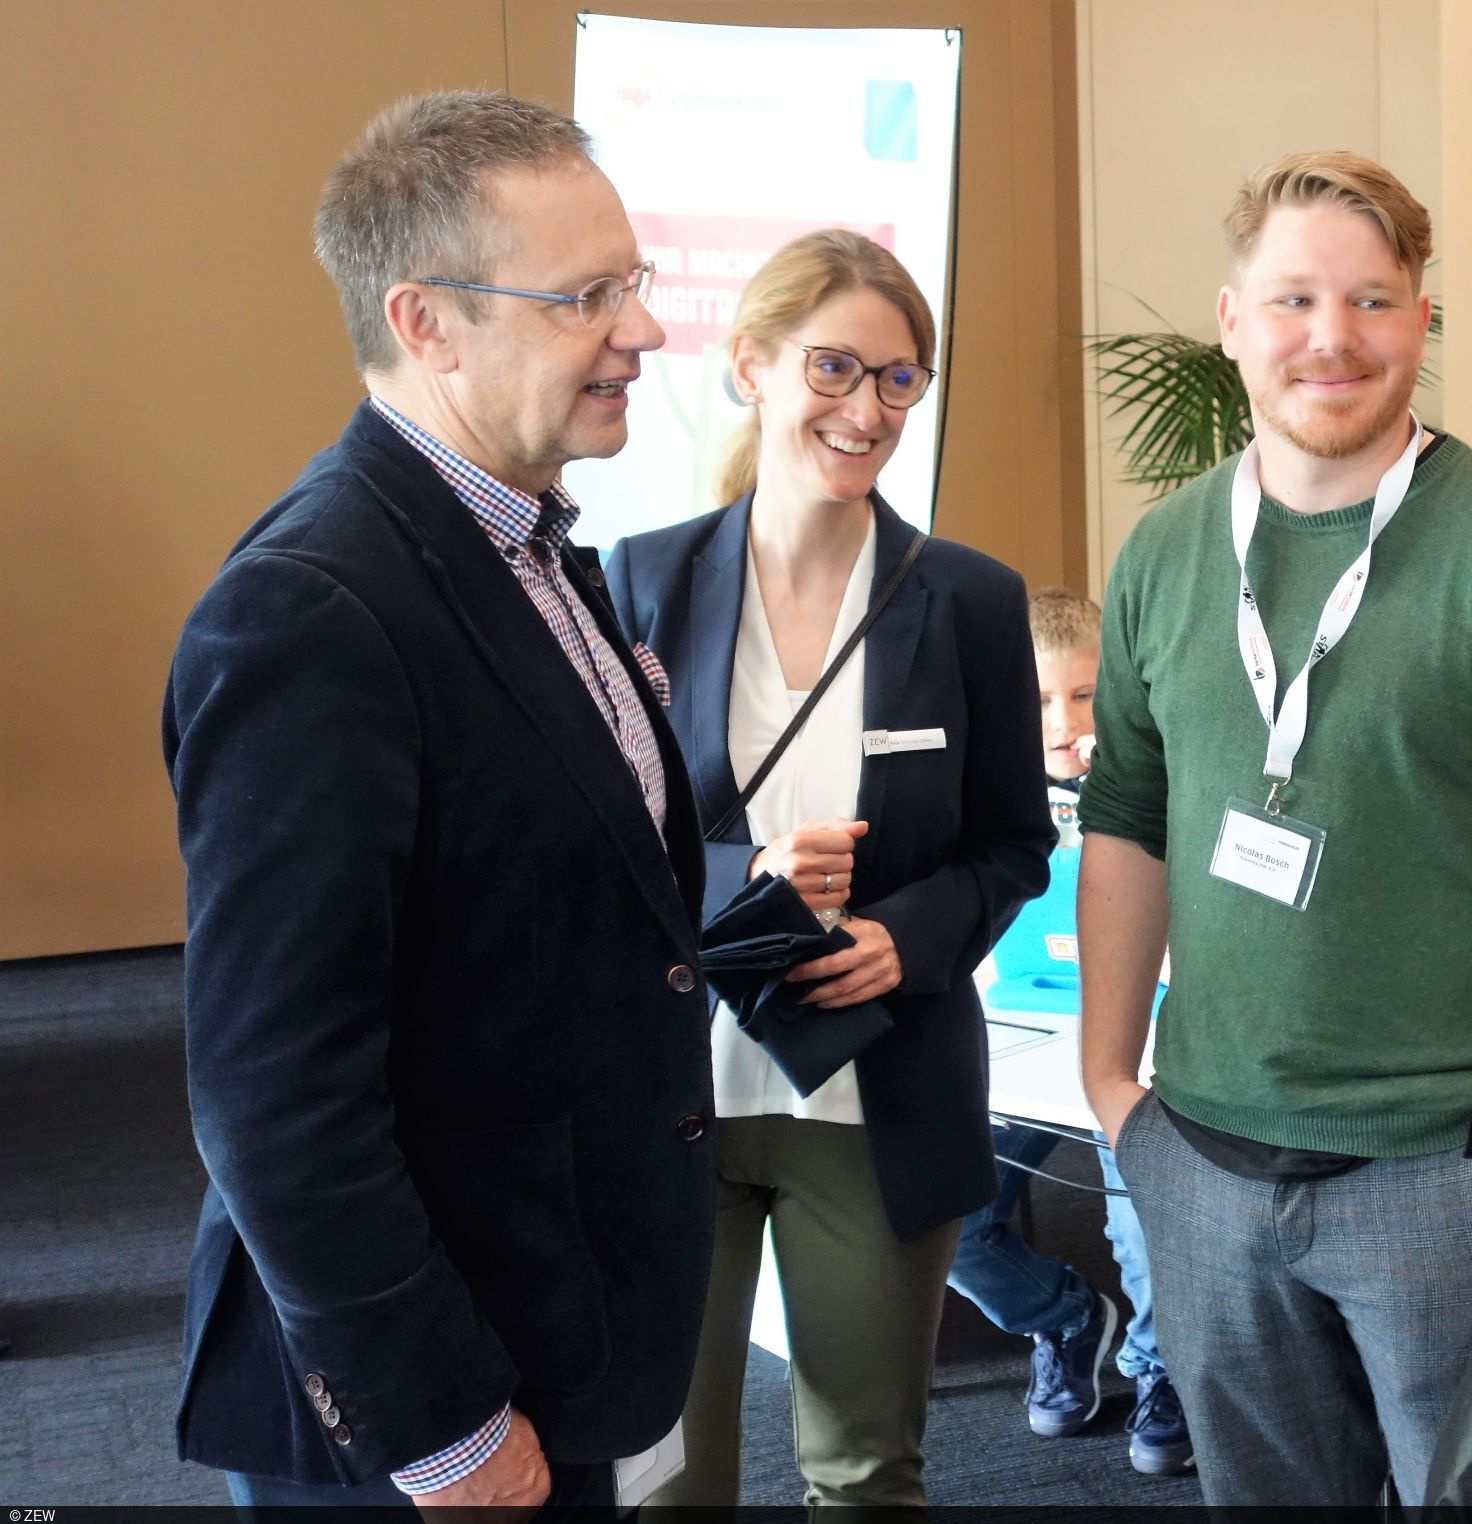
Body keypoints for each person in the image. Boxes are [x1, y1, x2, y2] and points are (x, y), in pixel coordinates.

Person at [1077, 149, 1472, 1507]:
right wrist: (1114, 1088)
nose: (1331, 339)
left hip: (1446, 1174)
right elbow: (1125, 813)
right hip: (1204, 1159)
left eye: (1371, 301)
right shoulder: (1168, 551)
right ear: (1232, 319)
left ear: (1422, 319)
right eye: (1293, 300)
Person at [163, 92, 711, 1509]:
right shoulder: (312, 612)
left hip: (558, 1330)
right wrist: (442, 1429)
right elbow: (274, 1093)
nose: (642, 331)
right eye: (586, 296)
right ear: (427, 322)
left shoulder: (529, 545)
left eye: (633, 283)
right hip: (426, 1418)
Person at [604, 228, 1054, 1507]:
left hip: (875, 1089)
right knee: (663, 1482)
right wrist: (744, 874)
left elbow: (1014, 843)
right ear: (750, 364)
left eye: (898, 379)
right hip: (669, 1089)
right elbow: (593, 855)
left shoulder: (964, 597)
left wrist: (909, 938)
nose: (866, 410)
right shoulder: (639, 584)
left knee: (862, 1476)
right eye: (835, 368)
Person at [946, 587, 1194, 1475]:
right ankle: (1066, 1315)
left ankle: (1161, 1368)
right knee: (948, 1214)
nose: (1061, 721)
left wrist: (1117, 792)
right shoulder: (983, 791)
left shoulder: (1161, 778)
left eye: (1085, 694)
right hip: (1021, 1031)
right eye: (1038, 699)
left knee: (1146, 1227)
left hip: (1144, 1041)